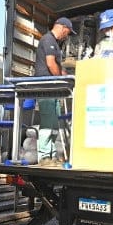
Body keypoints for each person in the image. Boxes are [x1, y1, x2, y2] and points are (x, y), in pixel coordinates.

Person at [34, 17, 76, 165]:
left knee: (53, 124)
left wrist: (71, 77)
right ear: (63, 27)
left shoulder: (55, 44)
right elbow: (51, 64)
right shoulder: (48, 40)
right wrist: (61, 79)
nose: (67, 35)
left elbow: (58, 68)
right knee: (47, 123)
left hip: (53, 89)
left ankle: (51, 157)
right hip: (46, 88)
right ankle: (44, 157)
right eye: (68, 32)